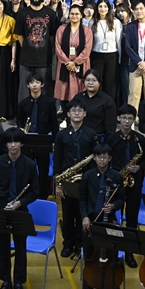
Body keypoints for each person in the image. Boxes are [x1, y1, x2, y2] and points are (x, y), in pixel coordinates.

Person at [0, 128, 39, 289]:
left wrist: (19, 203)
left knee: (20, 247)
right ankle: (5, 280)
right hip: (1, 209)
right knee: (3, 247)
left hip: (20, 210)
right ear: (5, 144)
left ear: (21, 143)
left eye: (16, 141)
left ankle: (18, 281)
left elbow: (35, 192)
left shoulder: (30, 165)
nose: (13, 145)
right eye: (9, 142)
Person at [53, 101, 98, 257]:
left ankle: (80, 244)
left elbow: (94, 160)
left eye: (80, 110)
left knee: (81, 214)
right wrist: (58, 184)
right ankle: (68, 244)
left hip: (84, 180)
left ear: (85, 114)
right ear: (68, 114)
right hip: (66, 181)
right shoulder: (61, 135)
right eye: (74, 110)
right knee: (67, 215)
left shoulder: (91, 134)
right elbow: (57, 159)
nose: (77, 113)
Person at [78, 143, 125, 289]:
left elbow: (121, 199)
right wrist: (85, 217)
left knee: (112, 257)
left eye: (105, 157)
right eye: (99, 157)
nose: (102, 160)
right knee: (89, 257)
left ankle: (111, 284)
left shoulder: (116, 176)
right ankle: (88, 284)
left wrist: (113, 206)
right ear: (94, 158)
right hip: (91, 221)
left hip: (109, 221)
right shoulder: (88, 175)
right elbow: (82, 199)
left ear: (110, 158)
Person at [106, 104, 145, 268]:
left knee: (131, 219)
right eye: (124, 118)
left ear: (134, 119)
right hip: (117, 181)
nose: (127, 121)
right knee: (114, 219)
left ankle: (129, 253)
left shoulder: (140, 139)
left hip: (134, 183)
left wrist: (139, 167)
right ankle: (114, 251)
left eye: (130, 118)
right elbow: (105, 159)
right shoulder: (111, 139)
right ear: (118, 119)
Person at [16, 73, 60, 198]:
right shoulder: (23, 103)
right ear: (28, 85)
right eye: (32, 82)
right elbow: (19, 121)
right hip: (27, 139)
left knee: (43, 169)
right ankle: (27, 194)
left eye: (37, 82)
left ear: (42, 84)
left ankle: (43, 196)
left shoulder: (49, 102)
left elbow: (54, 124)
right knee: (27, 169)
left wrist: (54, 142)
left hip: (43, 140)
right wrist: (21, 129)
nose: (34, 85)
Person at [15, 0, 58, 101]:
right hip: (26, 58)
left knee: (44, 90)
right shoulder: (22, 13)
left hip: (44, 59)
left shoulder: (50, 13)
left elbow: (52, 36)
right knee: (24, 91)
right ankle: (24, 112)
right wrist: (27, 47)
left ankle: (43, 112)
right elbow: (20, 36)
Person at [54, 5, 93, 102]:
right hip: (65, 64)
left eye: (77, 14)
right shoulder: (61, 29)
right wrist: (68, 63)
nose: (74, 16)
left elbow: (87, 49)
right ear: (69, 15)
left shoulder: (86, 30)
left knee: (80, 88)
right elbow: (58, 47)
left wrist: (75, 62)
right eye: (72, 14)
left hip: (81, 64)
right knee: (64, 89)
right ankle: (65, 109)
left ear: (81, 15)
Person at [90, 0, 121, 100]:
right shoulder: (92, 22)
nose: (102, 9)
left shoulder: (116, 22)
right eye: (100, 6)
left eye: (105, 6)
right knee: (97, 82)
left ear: (109, 8)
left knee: (110, 83)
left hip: (111, 55)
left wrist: (120, 58)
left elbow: (118, 41)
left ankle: (110, 105)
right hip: (97, 55)